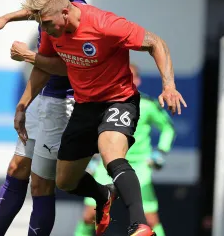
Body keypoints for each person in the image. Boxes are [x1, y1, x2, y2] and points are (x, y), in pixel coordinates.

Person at [12, 0, 187, 236]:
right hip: (85, 105)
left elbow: (155, 43)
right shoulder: (52, 31)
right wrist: (22, 105)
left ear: (65, 11)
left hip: (119, 100)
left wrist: (168, 85)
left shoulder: (105, 24)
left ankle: (139, 225)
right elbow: (52, 67)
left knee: (111, 154)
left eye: (48, 22)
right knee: (65, 181)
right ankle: (103, 194)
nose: (46, 29)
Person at [0, 0, 86, 236]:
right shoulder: (54, 5)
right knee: (16, 168)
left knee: (41, 185)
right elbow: (34, 12)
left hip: (63, 106)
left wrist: (29, 56)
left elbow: (67, 65)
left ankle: (101, 192)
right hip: (45, 100)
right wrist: (7, 17)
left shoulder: (77, 17)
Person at [75, 64, 175, 236]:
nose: (127, 81)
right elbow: (91, 132)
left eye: (131, 77)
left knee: (149, 220)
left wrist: (160, 152)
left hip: (139, 168)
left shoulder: (147, 105)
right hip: (106, 166)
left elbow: (168, 129)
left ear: (138, 80)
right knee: (90, 216)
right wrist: (91, 159)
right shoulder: (102, 104)